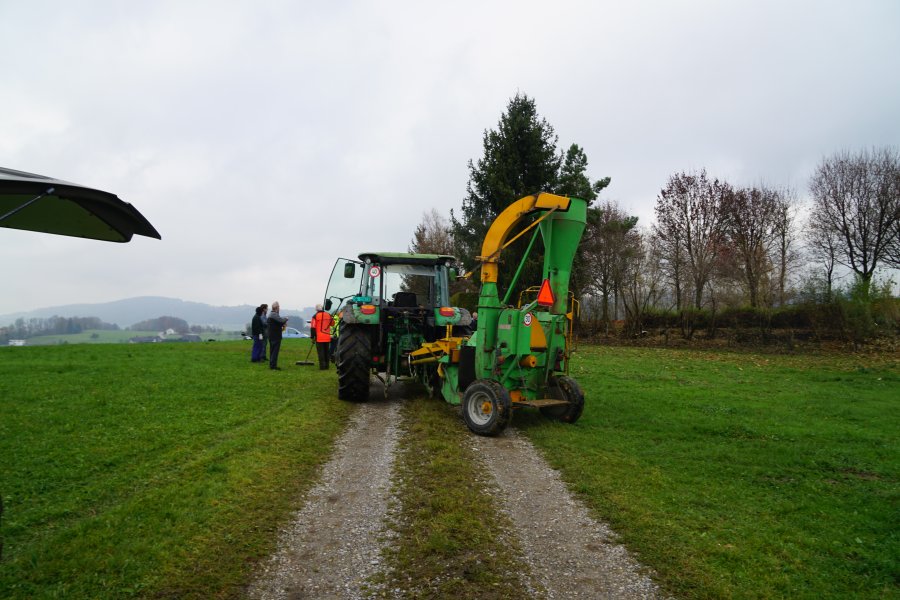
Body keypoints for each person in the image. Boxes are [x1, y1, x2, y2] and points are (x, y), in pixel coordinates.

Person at [310, 304, 334, 370]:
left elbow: (313, 327)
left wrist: (312, 337)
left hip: (319, 337)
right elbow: (332, 323)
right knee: (326, 352)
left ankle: (322, 367)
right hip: (327, 336)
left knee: (321, 353)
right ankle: (327, 366)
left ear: (316, 309)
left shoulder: (315, 316)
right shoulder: (328, 315)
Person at [266, 301, 288, 370]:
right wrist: (286, 319)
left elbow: (277, 323)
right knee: (275, 352)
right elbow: (281, 321)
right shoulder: (274, 314)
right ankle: (273, 366)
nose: (279, 308)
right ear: (276, 307)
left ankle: (272, 365)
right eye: (279, 307)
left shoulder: (271, 315)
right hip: (275, 336)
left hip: (272, 335)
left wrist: (282, 324)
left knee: (272, 351)